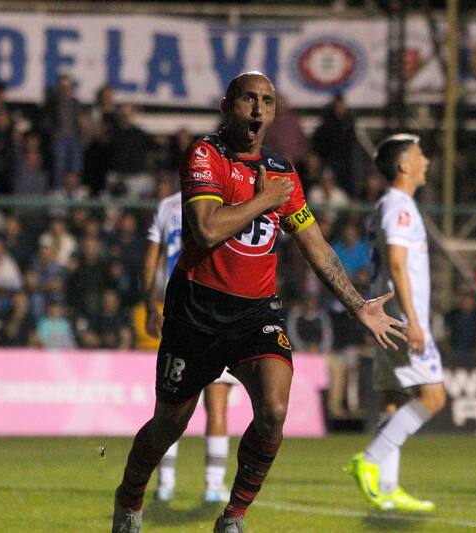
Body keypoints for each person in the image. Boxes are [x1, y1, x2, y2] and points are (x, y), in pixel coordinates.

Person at [111, 72, 405, 533]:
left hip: (256, 313)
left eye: (267, 101)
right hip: (197, 311)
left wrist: (357, 303)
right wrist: (266, 198)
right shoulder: (205, 156)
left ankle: (234, 516)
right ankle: (129, 498)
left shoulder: (284, 170)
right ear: (228, 105)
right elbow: (206, 229)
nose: (257, 109)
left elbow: (315, 245)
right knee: (169, 424)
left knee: (274, 410)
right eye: (249, 99)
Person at [346, 134, 445, 512]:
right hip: (403, 320)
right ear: (404, 165)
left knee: (394, 401)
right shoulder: (400, 206)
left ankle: (387, 488)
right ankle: (370, 461)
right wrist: (415, 322)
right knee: (433, 397)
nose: (427, 161)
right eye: (420, 155)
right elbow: (399, 263)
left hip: (388, 316)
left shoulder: (385, 206)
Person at [142, 189, 236, 504]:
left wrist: (150, 306)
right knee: (217, 403)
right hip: (217, 311)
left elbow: (151, 262)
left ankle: (165, 483)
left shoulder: (167, 205)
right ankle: (212, 485)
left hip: (178, 311)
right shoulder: (226, 203)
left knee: (172, 403)